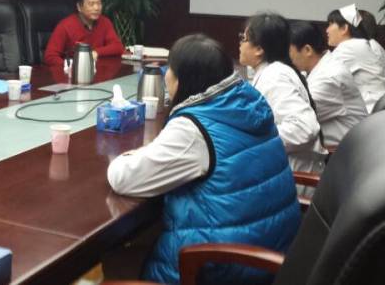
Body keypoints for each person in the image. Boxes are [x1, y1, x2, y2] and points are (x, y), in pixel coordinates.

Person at [107, 34, 300, 285]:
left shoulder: (193, 129)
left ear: (182, 78)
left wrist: (126, 156)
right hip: (272, 251)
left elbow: (123, 178)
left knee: (111, 261)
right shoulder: (249, 103)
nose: (166, 75)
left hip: (220, 267)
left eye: (169, 69)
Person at [238, 12, 325, 155]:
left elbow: (304, 128)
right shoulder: (271, 71)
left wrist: (254, 137)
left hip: (293, 167)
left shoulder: (275, 76)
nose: (240, 44)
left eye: (243, 38)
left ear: (259, 49)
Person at [289, 21, 368, 147]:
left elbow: (297, 119)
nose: (287, 59)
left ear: (307, 50)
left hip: (346, 153)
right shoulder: (316, 68)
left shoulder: (329, 77)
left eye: (288, 52)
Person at [326, 4, 385, 112]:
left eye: (330, 25)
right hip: (383, 103)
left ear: (344, 28)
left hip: (370, 109)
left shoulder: (348, 47)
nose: (327, 30)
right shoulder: (366, 44)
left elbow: (323, 75)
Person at [43, 0, 124, 66]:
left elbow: (118, 47)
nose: (96, 8)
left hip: (99, 70)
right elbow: (49, 57)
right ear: (79, 7)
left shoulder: (105, 22)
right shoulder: (65, 26)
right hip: (73, 72)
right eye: (91, 4)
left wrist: (96, 52)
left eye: (99, 3)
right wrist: (72, 66)